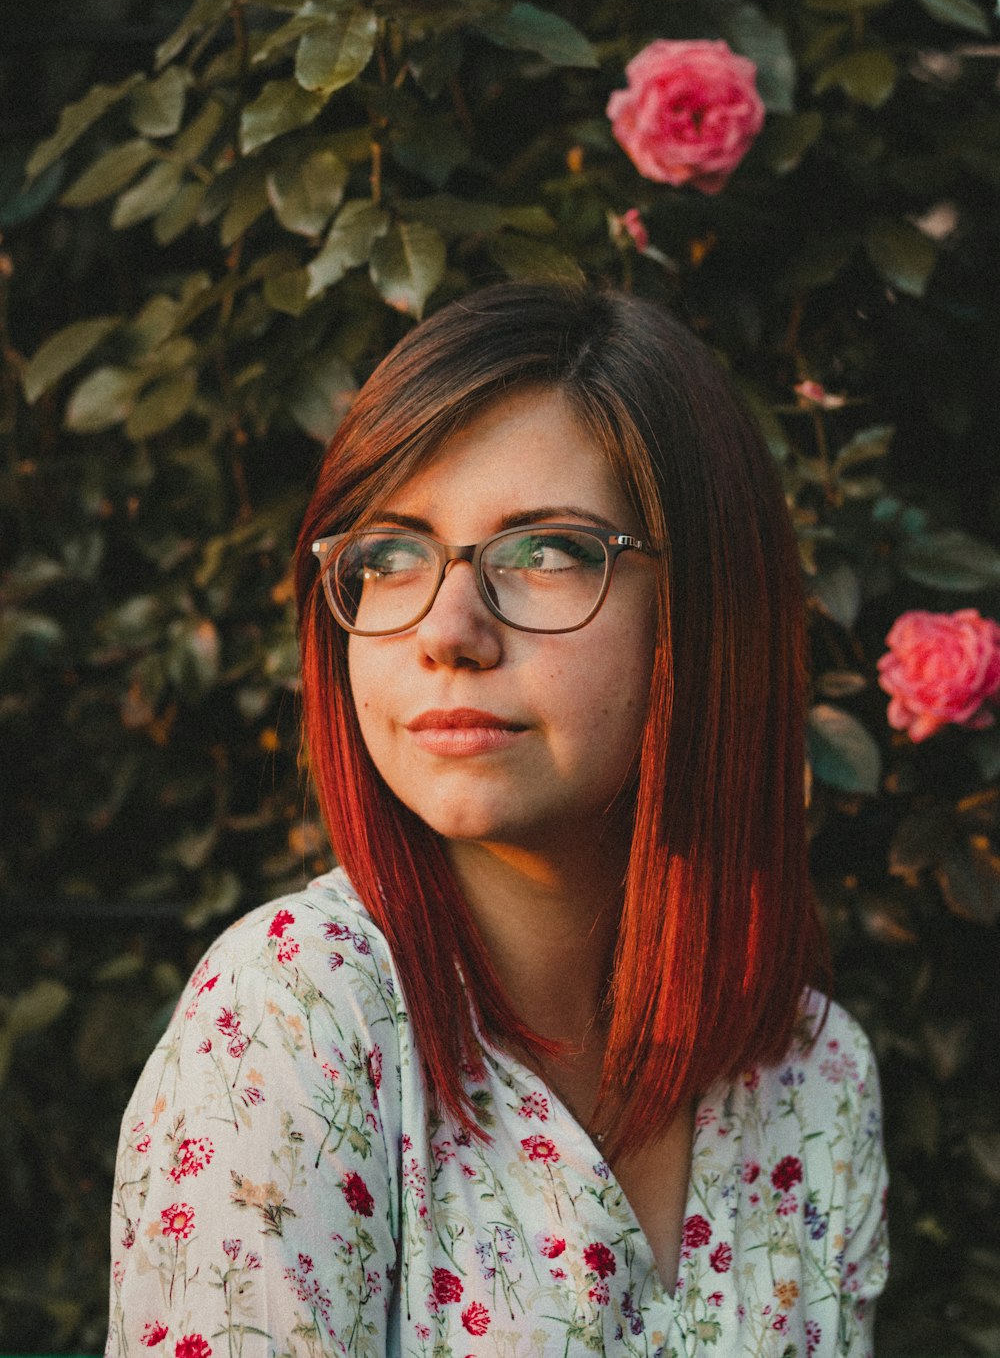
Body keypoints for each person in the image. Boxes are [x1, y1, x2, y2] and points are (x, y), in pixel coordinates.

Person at [106, 282, 888, 1358]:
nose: (450, 630)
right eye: (388, 555)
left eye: (546, 550)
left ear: (701, 610)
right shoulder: (294, 1020)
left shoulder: (811, 1079)